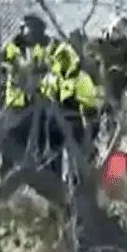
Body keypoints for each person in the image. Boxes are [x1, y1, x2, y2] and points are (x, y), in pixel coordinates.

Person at [39, 40, 100, 180]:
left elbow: (89, 109)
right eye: (58, 59)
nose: (61, 63)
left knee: (76, 159)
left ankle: (76, 181)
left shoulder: (81, 79)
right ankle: (55, 183)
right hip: (53, 124)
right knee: (53, 157)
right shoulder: (50, 79)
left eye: (64, 58)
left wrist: (89, 136)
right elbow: (42, 103)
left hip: (76, 123)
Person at [0, 15, 52, 173]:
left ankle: (37, 178)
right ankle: (5, 176)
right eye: (26, 28)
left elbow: (52, 68)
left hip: (39, 103)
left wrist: (43, 73)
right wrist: (19, 74)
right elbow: (3, 68)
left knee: (40, 143)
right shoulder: (12, 46)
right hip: (16, 103)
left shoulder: (45, 47)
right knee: (11, 142)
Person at [90, 17, 127, 144]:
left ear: (124, 34)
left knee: (111, 128)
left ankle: (108, 154)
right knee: (90, 126)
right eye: (113, 29)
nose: (114, 33)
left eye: (118, 31)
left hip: (114, 95)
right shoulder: (97, 43)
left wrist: (122, 84)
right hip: (93, 91)